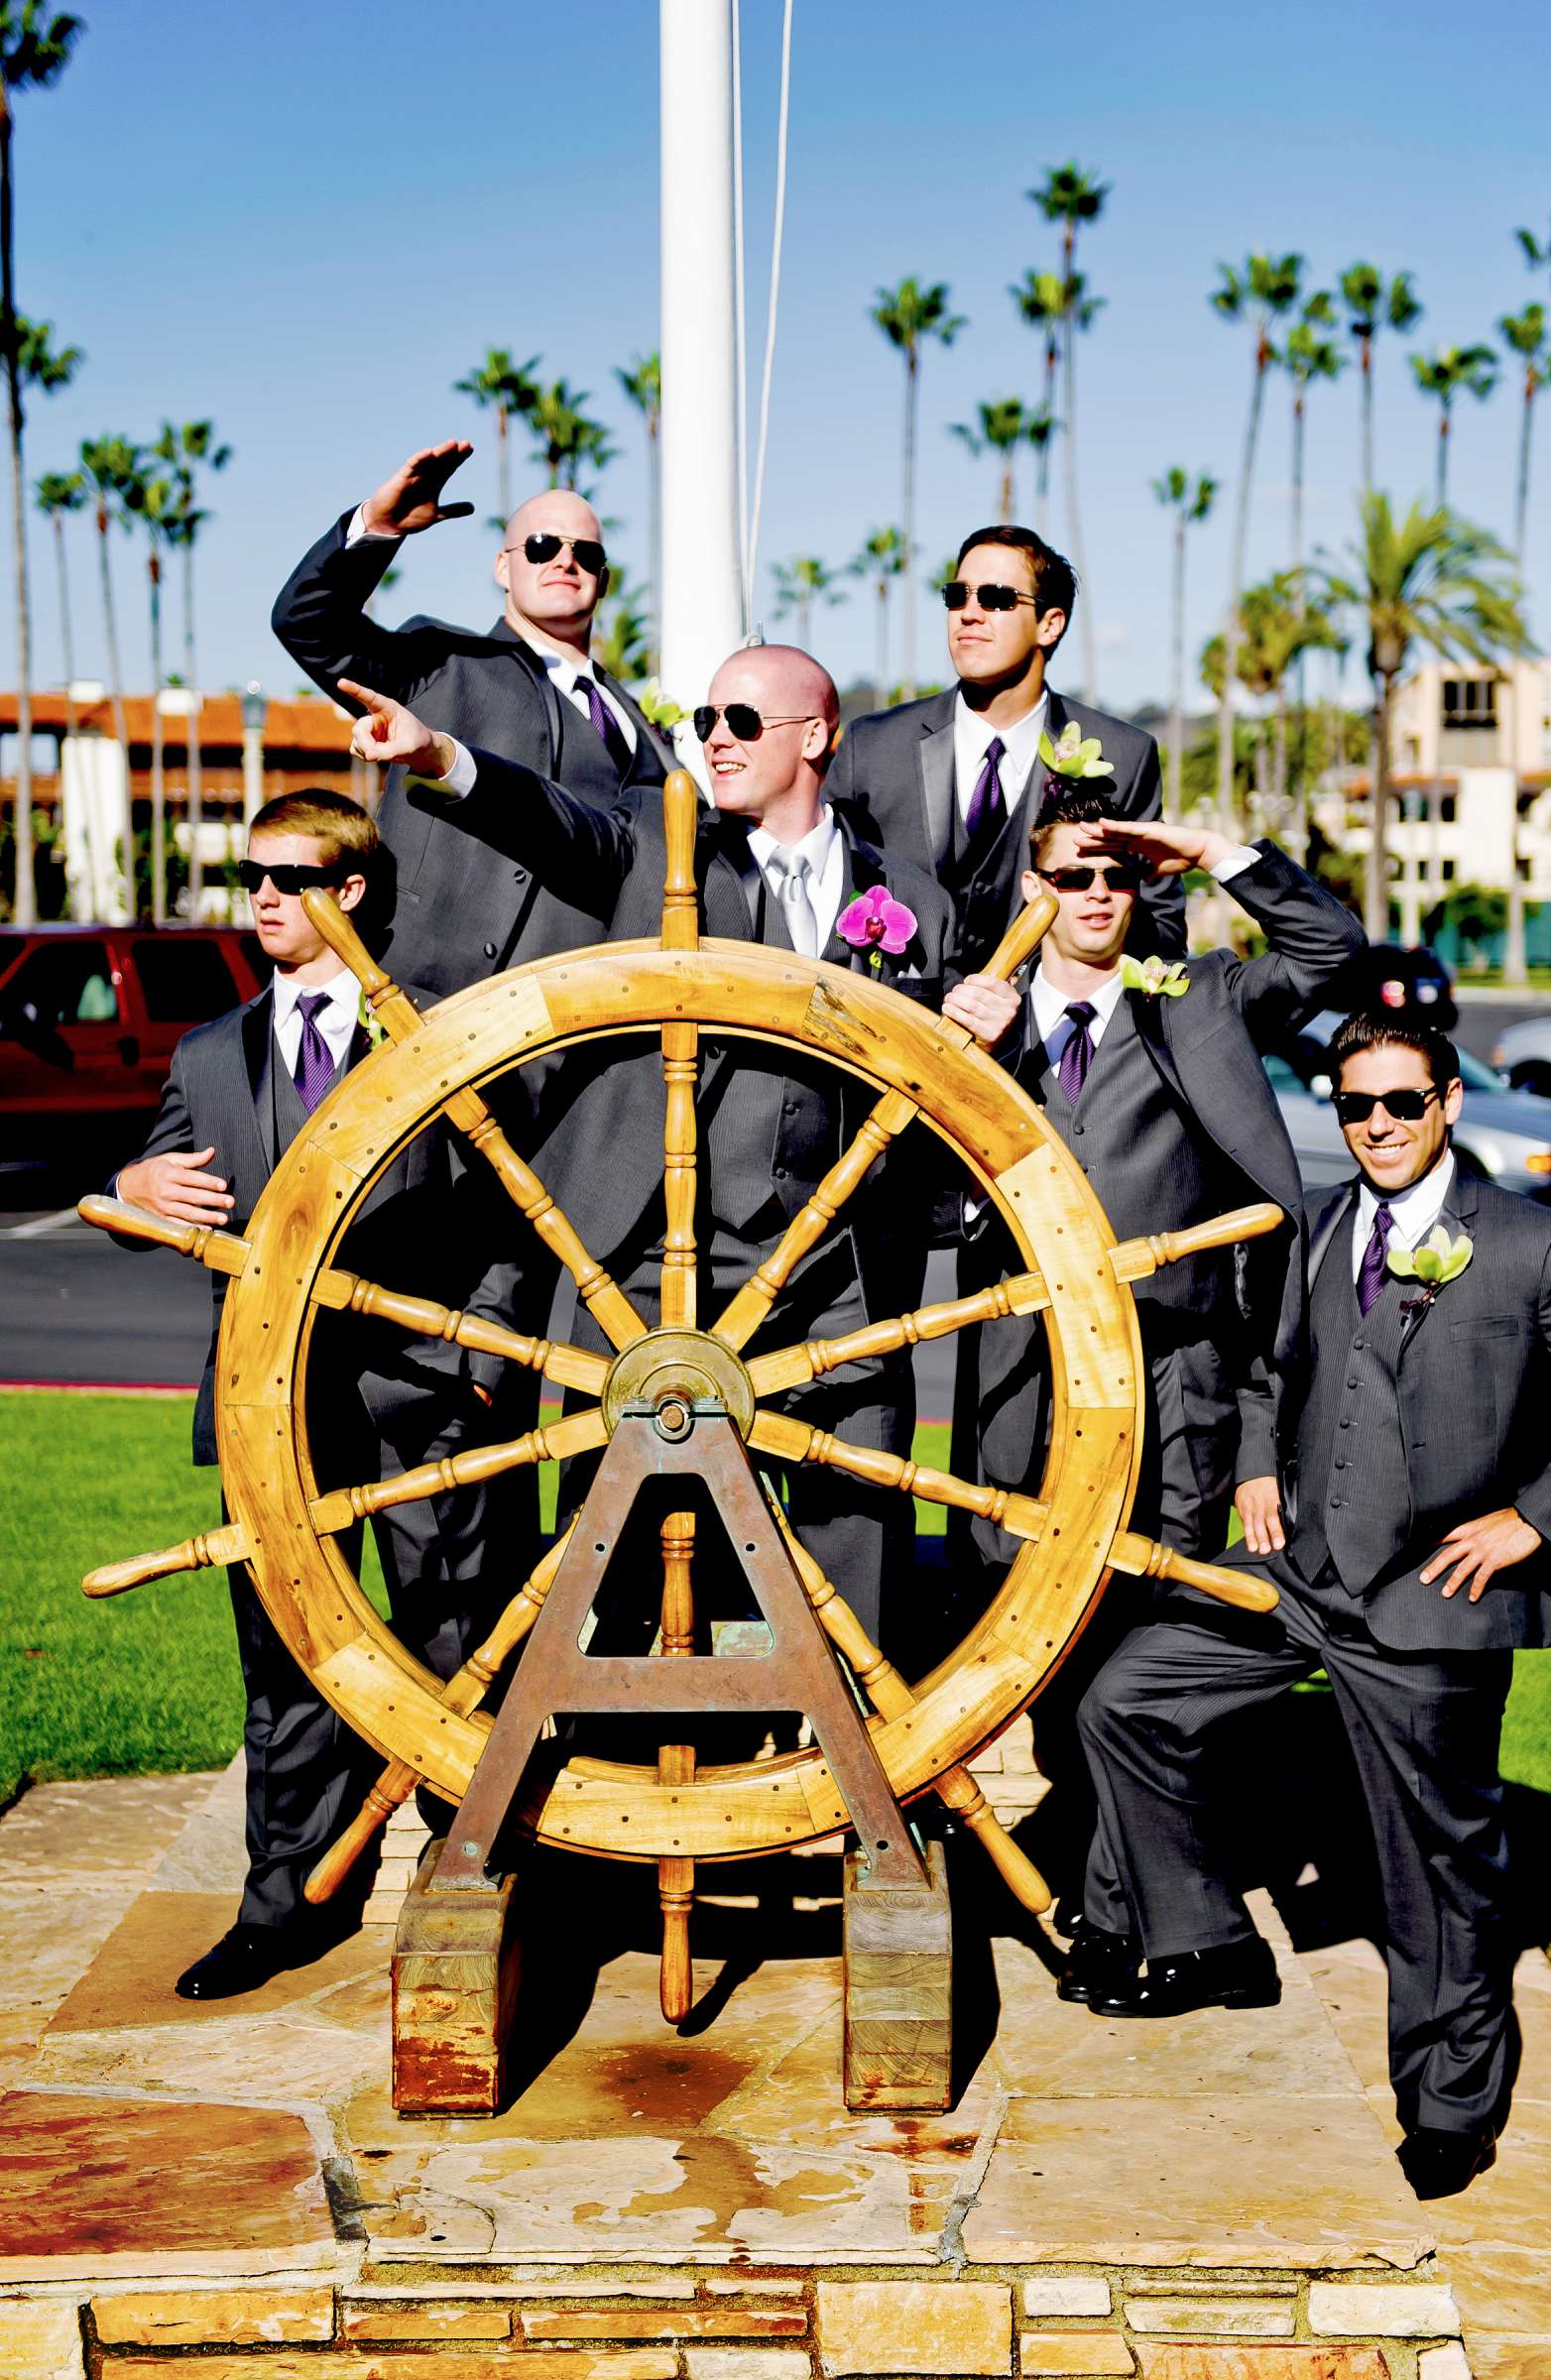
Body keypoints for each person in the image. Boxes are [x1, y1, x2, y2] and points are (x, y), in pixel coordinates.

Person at [337, 645, 967, 1647]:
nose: (714, 737)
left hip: (829, 1260)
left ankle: (860, 1767)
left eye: (742, 722)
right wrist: (438, 757)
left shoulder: (912, 904)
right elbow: (548, 821)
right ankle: (616, 1758)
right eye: (707, 719)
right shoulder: (650, 837)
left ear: (816, 737)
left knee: (860, 1510)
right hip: (639, 1246)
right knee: (620, 1518)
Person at [1076, 1013, 1551, 2202]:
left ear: (1447, 1103)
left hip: (1435, 1600)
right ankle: (1206, 1936)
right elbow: (1270, 1367)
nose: (1377, 1127)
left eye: (1401, 1104)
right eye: (1356, 1106)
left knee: (1436, 1874)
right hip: (1304, 1578)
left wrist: (1538, 1520)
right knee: (1128, 1699)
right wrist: (1257, 1462)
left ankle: (1450, 2101)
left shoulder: (1534, 1243)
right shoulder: (1318, 1227)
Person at [949, 786, 1362, 1943]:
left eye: (1115, 875)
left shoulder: (1201, 999)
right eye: (1070, 876)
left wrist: (1205, 851)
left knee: (1153, 1623)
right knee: (1044, 1622)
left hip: (1174, 1374)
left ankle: (1145, 1897)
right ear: (1032, 890)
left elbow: (1330, 951)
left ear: (1143, 888)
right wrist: (956, 1045)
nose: (1093, 896)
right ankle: (1091, 1860)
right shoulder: (984, 1020)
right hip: (1025, 1378)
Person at [112, 791, 502, 1998]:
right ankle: (285, 1908)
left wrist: (484, 1371)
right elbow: (155, 1196)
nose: (265, 898)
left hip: (428, 1402)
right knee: (284, 1667)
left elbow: (508, 1220)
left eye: (291, 876)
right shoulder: (206, 1054)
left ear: (353, 893)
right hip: (264, 1411)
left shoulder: (433, 1036)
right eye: (252, 877)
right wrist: (131, 1185)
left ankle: (469, 1896)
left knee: (455, 1651)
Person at [272, 441, 671, 1001]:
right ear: (503, 567)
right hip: (430, 1011)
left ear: (603, 581)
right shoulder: (439, 661)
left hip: (592, 1033)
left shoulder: (638, 724)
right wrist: (379, 527)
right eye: (541, 545)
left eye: (586, 553)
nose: (564, 560)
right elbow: (307, 624)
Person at [827, 524, 1184, 969]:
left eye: (995, 598)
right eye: (957, 596)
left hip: (1044, 1033)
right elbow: (824, 899)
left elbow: (1160, 931)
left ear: (1050, 625)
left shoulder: (1121, 756)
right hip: (892, 1025)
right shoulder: (874, 745)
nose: (969, 613)